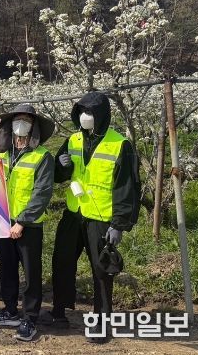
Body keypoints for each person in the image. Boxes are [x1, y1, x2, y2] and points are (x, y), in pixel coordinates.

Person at [41, 92, 140, 344]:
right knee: (62, 262)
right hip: (74, 213)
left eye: (91, 112)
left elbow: (127, 187)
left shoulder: (119, 144)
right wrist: (62, 165)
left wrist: (119, 224)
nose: (86, 116)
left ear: (102, 115)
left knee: (101, 271)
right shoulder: (72, 140)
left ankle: (102, 322)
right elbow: (59, 176)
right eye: (82, 111)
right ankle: (59, 312)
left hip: (101, 218)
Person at [0, 104, 55, 342]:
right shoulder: (2, 155)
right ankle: (10, 310)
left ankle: (30, 318)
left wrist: (22, 222)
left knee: (31, 273)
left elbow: (42, 193)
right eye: (17, 119)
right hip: (4, 222)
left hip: (28, 226)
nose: (21, 124)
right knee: (7, 269)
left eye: (26, 120)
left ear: (34, 126)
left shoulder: (42, 156)